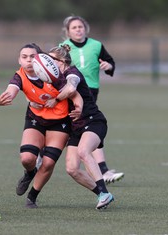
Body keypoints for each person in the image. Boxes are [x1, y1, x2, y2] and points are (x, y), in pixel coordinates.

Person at [0, 43, 81, 208]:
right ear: (19, 60)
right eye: (24, 57)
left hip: (60, 121)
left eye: (32, 56)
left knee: (48, 163)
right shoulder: (19, 76)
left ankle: (32, 196)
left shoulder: (54, 75)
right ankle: (30, 172)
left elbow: (74, 94)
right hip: (35, 119)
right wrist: (4, 98)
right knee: (27, 158)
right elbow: (12, 90)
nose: (28, 60)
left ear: (41, 59)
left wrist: (78, 108)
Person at [46, 44, 114, 209]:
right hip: (76, 127)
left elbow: (70, 88)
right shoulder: (53, 80)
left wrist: (55, 99)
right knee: (72, 169)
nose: (47, 63)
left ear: (61, 61)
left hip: (93, 121)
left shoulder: (72, 73)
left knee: (84, 151)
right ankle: (103, 194)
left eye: (50, 60)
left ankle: (104, 193)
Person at [60, 15, 124, 184]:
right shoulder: (62, 48)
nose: (78, 30)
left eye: (80, 27)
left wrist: (108, 66)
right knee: (72, 124)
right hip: (69, 91)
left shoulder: (96, 45)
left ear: (85, 28)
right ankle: (101, 169)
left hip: (90, 91)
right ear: (67, 31)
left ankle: (101, 169)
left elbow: (110, 63)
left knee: (89, 125)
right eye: (74, 27)